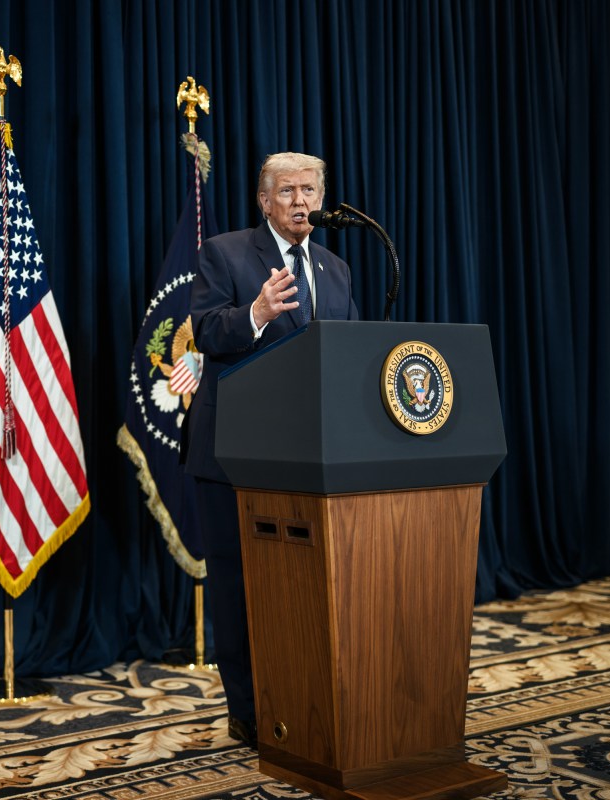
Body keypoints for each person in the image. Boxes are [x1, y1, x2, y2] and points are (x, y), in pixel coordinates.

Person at [183, 152, 360, 746]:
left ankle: (302, 695)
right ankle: (248, 710)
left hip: (310, 455)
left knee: (302, 589)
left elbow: (349, 353)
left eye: (310, 189)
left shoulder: (335, 268)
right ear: (264, 201)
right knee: (239, 588)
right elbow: (205, 332)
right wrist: (255, 314)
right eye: (288, 191)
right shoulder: (227, 254)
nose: (302, 201)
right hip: (233, 452)